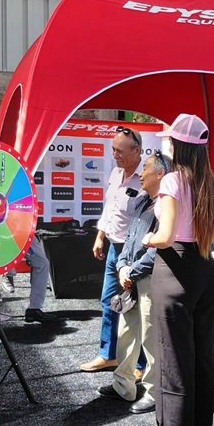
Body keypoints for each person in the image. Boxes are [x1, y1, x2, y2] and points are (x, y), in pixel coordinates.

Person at [142, 113, 214, 426]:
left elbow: (165, 236)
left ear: (178, 146)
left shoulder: (173, 180)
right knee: (202, 360)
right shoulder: (212, 183)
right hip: (205, 271)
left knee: (174, 363)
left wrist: (148, 238)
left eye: (170, 140)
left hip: (175, 271)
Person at [97, 153, 167, 414]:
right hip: (132, 277)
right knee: (126, 332)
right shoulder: (143, 202)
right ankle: (122, 385)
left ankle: (153, 392)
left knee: (149, 337)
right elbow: (129, 239)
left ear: (160, 174)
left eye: (145, 168)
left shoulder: (166, 205)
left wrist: (131, 271)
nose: (141, 173)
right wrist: (122, 266)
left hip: (148, 279)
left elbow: (159, 248)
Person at [81, 126, 145, 372]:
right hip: (114, 249)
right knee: (109, 301)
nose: (114, 155)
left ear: (137, 150)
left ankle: (141, 364)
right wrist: (100, 236)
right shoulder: (116, 173)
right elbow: (110, 208)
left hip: (135, 253)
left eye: (119, 150)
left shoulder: (147, 177)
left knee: (136, 308)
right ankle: (108, 355)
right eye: (113, 149)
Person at [23, 235, 57, 323]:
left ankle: (34, 308)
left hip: (22, 235)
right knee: (41, 264)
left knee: (41, 263)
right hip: (14, 235)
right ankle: (34, 308)